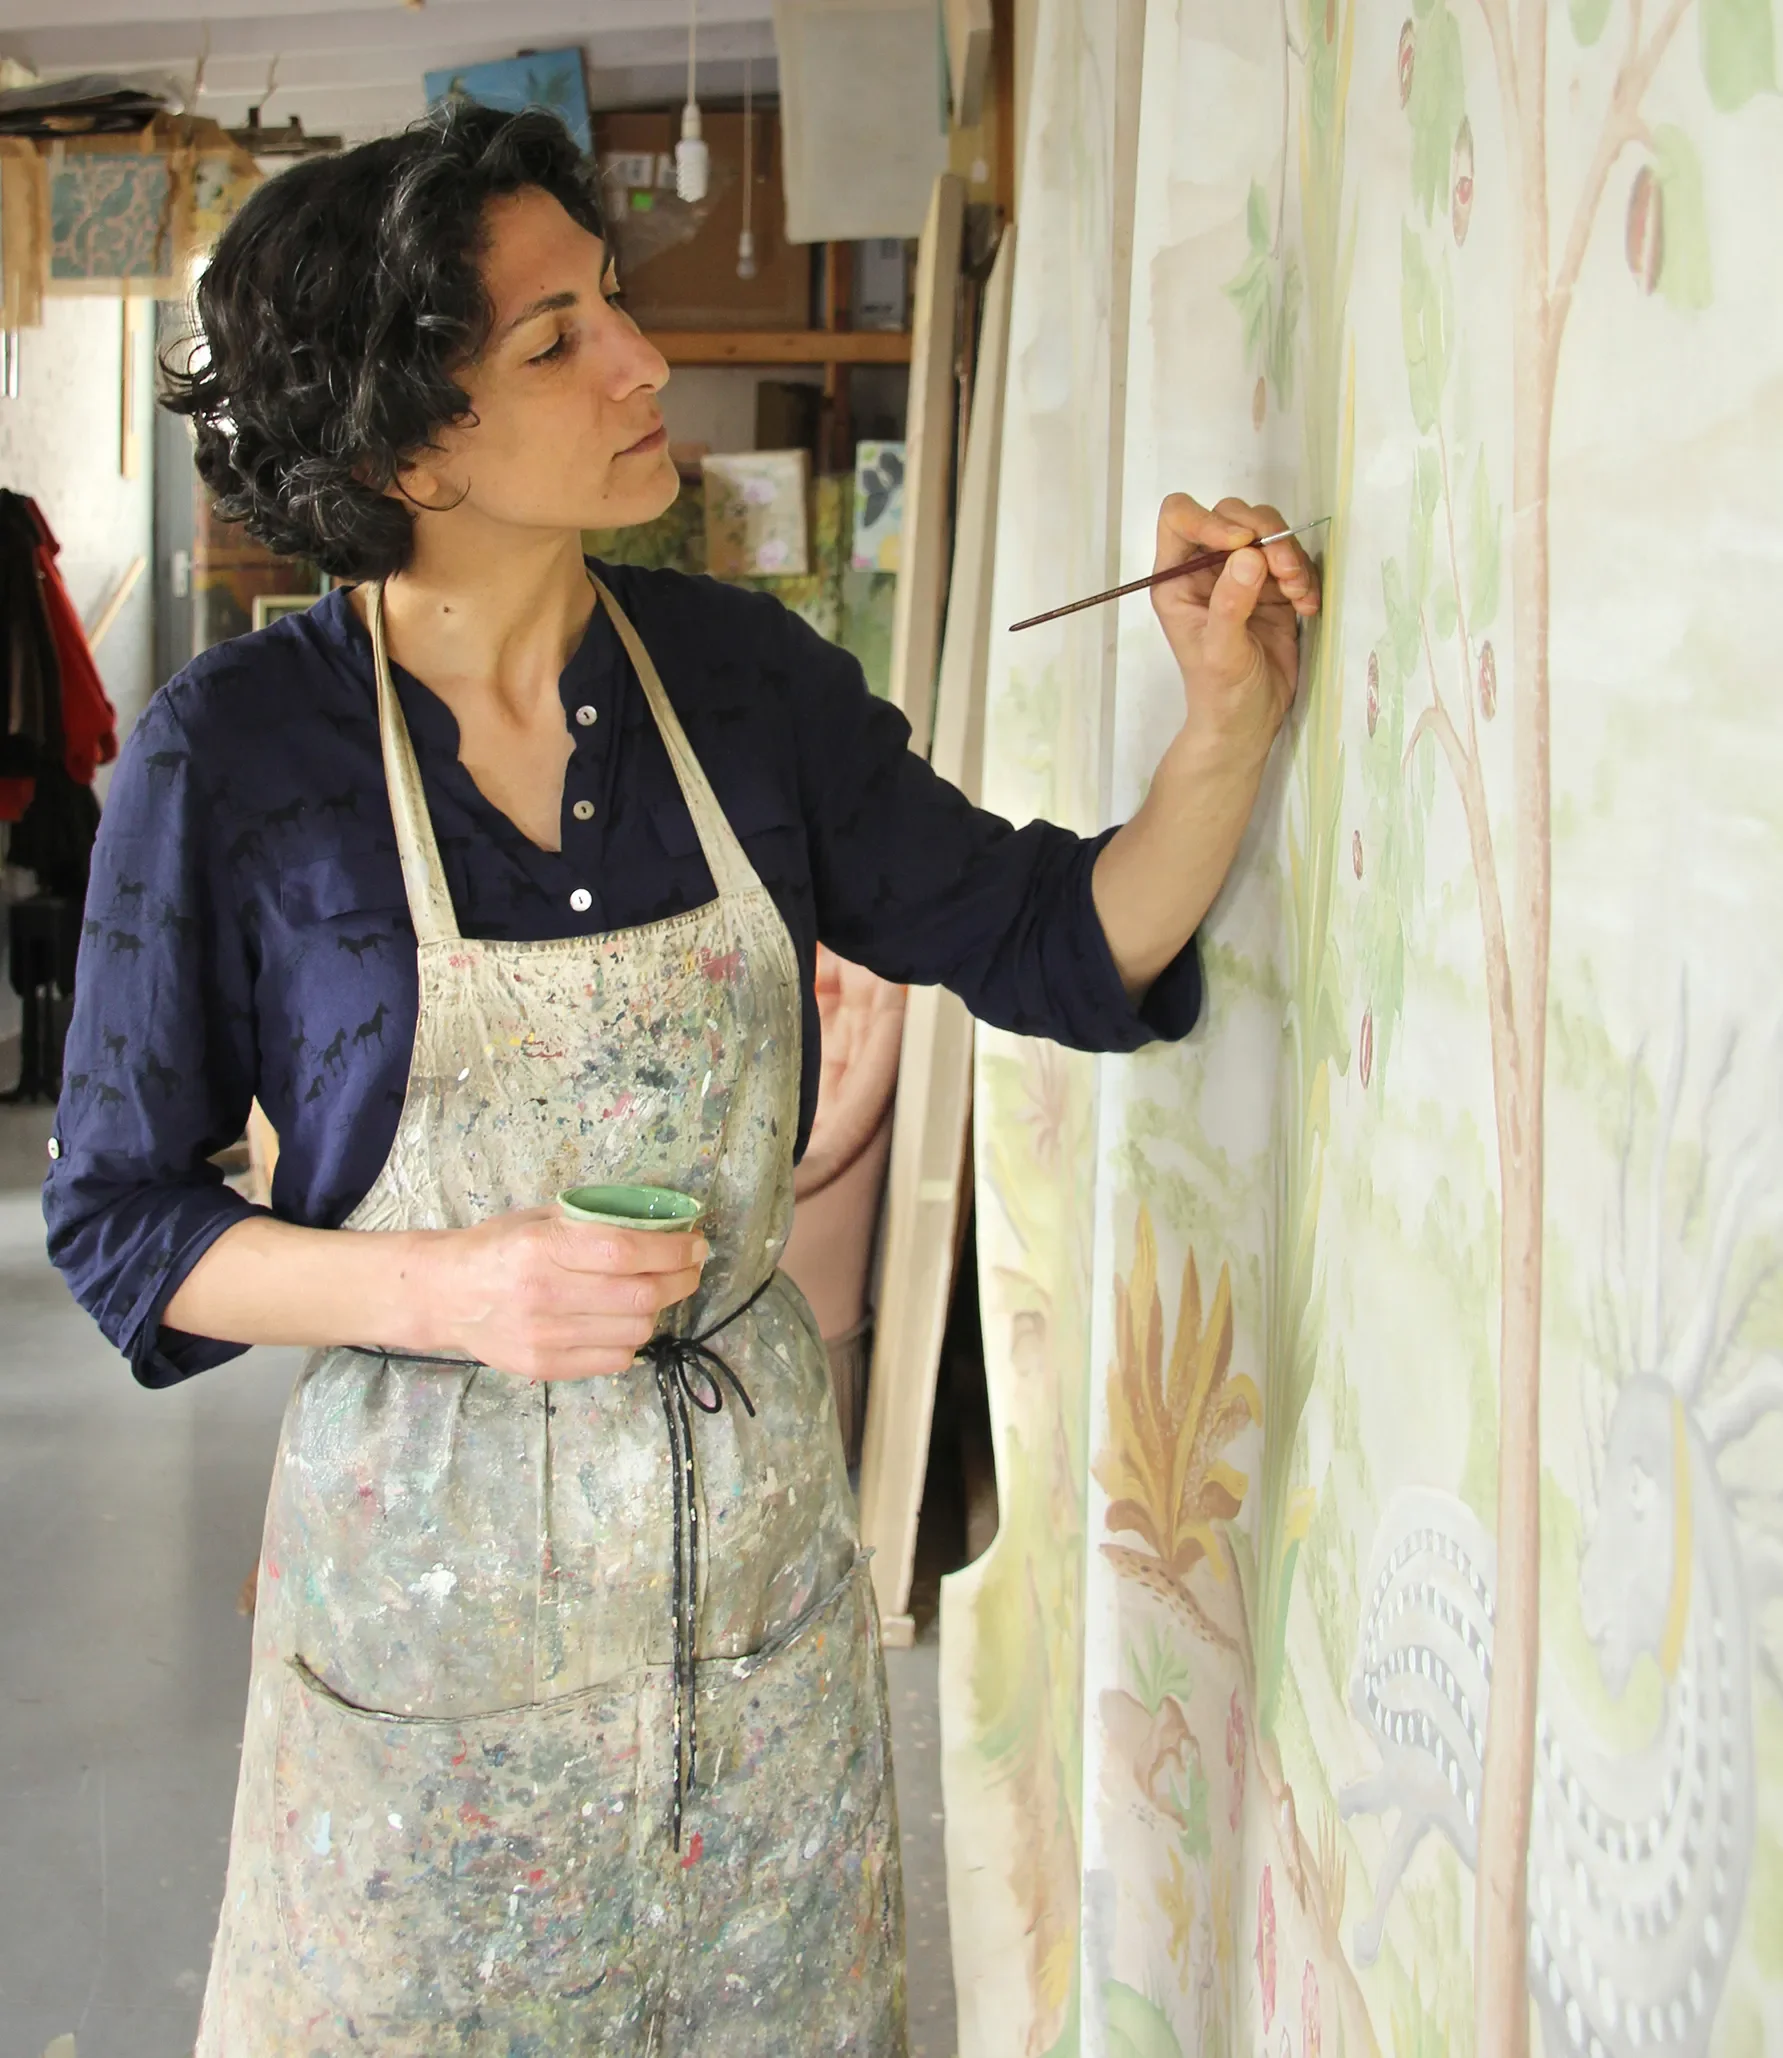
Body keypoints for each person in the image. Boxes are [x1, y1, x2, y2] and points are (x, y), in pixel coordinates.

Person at [43, 104, 1319, 2057]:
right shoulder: (238, 757)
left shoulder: (741, 684)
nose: (645, 359)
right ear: (404, 446)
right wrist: (451, 1289)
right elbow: (122, 1226)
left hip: (758, 1616)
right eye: (556, 339)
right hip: (428, 1633)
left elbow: (1057, 939)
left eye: (614, 304)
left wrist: (1224, 720)